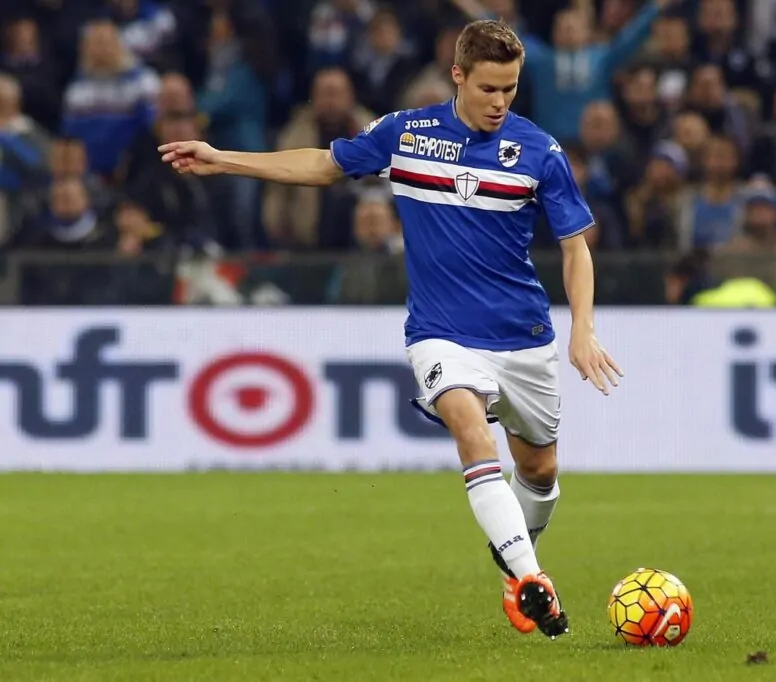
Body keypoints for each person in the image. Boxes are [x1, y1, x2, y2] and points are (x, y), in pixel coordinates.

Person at [158, 19, 622, 640]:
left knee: (539, 469)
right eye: (488, 88)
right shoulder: (408, 134)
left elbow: (575, 247)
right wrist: (224, 160)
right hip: (441, 332)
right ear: (458, 76)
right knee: (470, 431)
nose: (499, 102)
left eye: (510, 89)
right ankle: (531, 578)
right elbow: (323, 165)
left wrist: (582, 328)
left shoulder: (540, 151)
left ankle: (516, 556)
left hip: (524, 335)